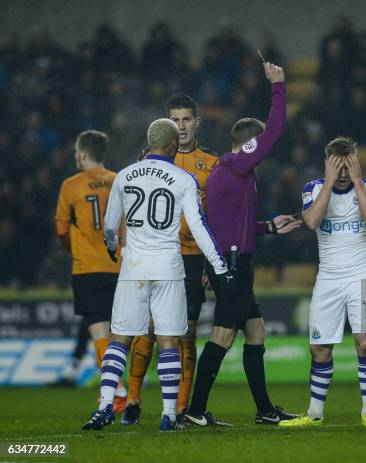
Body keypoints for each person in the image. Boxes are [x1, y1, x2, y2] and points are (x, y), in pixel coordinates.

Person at [82, 118, 232, 431]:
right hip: (168, 268)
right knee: (168, 340)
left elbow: (110, 226)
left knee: (120, 338)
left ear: (150, 142)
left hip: (133, 267)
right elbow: (199, 226)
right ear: (174, 145)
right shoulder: (183, 178)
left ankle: (105, 405)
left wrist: (113, 248)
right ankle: (167, 415)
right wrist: (219, 265)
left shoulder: (124, 175)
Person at [185, 62, 301, 427]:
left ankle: (265, 411)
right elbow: (277, 129)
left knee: (256, 330)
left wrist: (268, 227)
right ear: (251, 143)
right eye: (260, 144)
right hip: (233, 265)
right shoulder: (236, 165)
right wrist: (278, 86)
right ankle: (195, 411)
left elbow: (228, 225)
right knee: (223, 335)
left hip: (234, 260)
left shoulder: (233, 173)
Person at [122, 94, 220, 426]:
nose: (181, 126)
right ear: (167, 123)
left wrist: (210, 263)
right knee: (148, 330)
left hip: (192, 259)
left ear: (197, 122)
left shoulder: (212, 163)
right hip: (156, 255)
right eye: (175, 120)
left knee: (186, 334)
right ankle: (133, 399)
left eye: (187, 119)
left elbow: (215, 218)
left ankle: (181, 407)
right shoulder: (148, 159)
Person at [279, 137, 366, 427]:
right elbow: (311, 222)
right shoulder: (313, 189)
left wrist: (358, 181)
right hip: (329, 278)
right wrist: (327, 182)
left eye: (347, 164)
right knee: (320, 348)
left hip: (364, 275)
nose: (342, 172)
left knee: (364, 343)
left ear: (355, 161)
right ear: (327, 163)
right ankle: (314, 414)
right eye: (336, 165)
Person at [55, 130, 127, 410]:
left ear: (83, 154)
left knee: (100, 332)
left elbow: (61, 229)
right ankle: (128, 389)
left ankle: (116, 389)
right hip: (121, 266)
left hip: (87, 267)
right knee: (124, 330)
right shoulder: (119, 180)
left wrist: (72, 248)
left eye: (76, 151)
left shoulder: (71, 185)